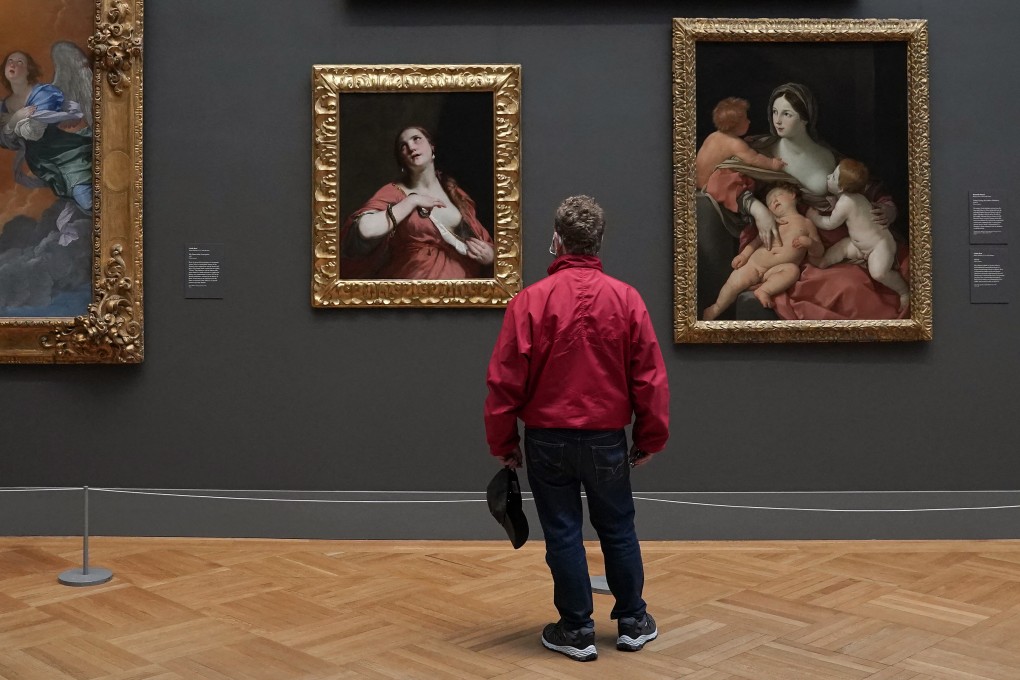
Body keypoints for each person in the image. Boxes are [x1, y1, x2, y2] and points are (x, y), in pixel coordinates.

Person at [484, 195, 669, 662]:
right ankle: (632, 622)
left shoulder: (530, 301)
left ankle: (576, 629)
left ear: (557, 240)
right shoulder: (626, 298)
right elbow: (649, 377)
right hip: (608, 438)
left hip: (547, 439)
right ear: (598, 241)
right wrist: (650, 438)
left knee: (563, 532)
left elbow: (504, 380)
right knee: (619, 528)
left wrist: (503, 443)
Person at [700, 82, 909, 320]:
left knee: (860, 284)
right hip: (779, 237)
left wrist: (888, 209)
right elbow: (720, 178)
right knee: (847, 286)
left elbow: (866, 186)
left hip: (825, 237)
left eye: (787, 114)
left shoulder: (828, 155)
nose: (777, 120)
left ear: (805, 119)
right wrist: (758, 210)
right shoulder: (760, 150)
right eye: (775, 112)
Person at [339, 125, 494, 279]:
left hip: (461, 290)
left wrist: (490, 256)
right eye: (403, 146)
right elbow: (365, 230)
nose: (411, 147)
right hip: (414, 286)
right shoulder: (394, 192)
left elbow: (483, 242)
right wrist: (412, 201)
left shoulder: (455, 193)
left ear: (432, 147)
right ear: (402, 160)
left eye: (416, 139)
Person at [703, 184, 822, 320]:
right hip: (754, 264)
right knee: (733, 284)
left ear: (793, 195)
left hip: (777, 270)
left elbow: (818, 255)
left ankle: (764, 290)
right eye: (769, 202)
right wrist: (743, 255)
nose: (774, 200)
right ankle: (716, 308)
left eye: (778, 195)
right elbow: (754, 243)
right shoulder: (771, 223)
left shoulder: (807, 223)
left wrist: (810, 243)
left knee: (793, 270)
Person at [807, 159, 910, 312]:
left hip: (878, 246)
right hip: (859, 244)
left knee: (879, 273)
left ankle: (903, 291)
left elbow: (830, 224)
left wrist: (813, 217)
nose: (828, 177)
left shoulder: (846, 202)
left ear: (841, 188)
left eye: (833, 177)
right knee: (842, 247)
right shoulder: (852, 198)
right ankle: (824, 262)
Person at [0, 48, 93, 214]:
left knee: (87, 200)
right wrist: (16, 119)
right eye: (10, 61)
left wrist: (12, 124)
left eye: (20, 62)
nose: (13, 64)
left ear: (29, 70)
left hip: (65, 153)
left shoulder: (45, 93)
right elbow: (8, 141)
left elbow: (34, 132)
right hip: (42, 164)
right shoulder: (3, 106)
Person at [696, 97, 786, 217]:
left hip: (697, 180)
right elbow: (754, 159)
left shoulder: (713, 136)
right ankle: (752, 206)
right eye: (745, 119)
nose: (749, 122)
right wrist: (773, 164)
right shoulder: (735, 144)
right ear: (733, 125)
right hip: (711, 185)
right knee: (743, 177)